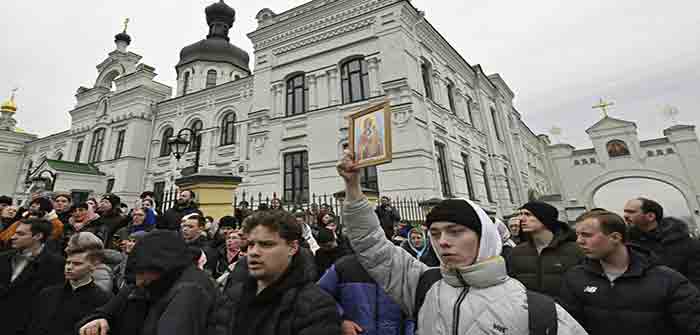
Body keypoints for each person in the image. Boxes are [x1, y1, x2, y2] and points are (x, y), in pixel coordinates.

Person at [336, 150, 586, 335]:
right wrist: (353, 186)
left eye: (455, 231)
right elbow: (371, 243)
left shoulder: (536, 310)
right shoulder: (423, 285)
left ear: (484, 236)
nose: (443, 242)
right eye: (435, 233)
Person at [559, 210, 700, 335]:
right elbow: (568, 326)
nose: (579, 241)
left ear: (615, 237)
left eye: (587, 235)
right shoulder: (575, 278)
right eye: (577, 235)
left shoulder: (666, 279)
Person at [208, 209, 341, 335]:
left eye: (266, 244)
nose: (254, 252)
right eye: (251, 244)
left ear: (292, 247)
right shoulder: (233, 296)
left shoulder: (315, 305)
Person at [78, 230, 219, 335]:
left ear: (159, 267)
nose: (138, 280)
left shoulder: (190, 289)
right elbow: (104, 312)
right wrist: (101, 319)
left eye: (141, 272)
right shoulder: (140, 286)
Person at [28, 242, 113, 335]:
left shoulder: (104, 300)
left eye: (77, 264)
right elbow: (34, 325)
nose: (69, 267)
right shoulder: (47, 293)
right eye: (68, 263)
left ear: (93, 267)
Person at [319, 253, 414, 335]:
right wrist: (341, 321)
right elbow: (320, 296)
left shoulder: (401, 268)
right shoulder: (343, 266)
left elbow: (412, 310)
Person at [0, 218, 65, 335]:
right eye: (15, 233)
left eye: (20, 234)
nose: (13, 237)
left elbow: (50, 302)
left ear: (38, 236)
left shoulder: (55, 264)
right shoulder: (3, 258)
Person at [506, 201, 584, 299]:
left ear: (545, 218)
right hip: (530, 311)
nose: (521, 219)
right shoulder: (516, 253)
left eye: (528, 214)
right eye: (520, 214)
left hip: (567, 312)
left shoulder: (575, 250)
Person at [624, 197, 700, 288]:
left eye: (631, 212)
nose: (625, 216)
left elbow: (696, 280)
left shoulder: (687, 244)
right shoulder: (625, 244)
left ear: (650, 216)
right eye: (625, 212)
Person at [0, 197, 65, 251]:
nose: (31, 208)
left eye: (34, 206)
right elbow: (4, 237)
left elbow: (48, 241)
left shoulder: (56, 224)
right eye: (31, 206)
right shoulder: (22, 221)